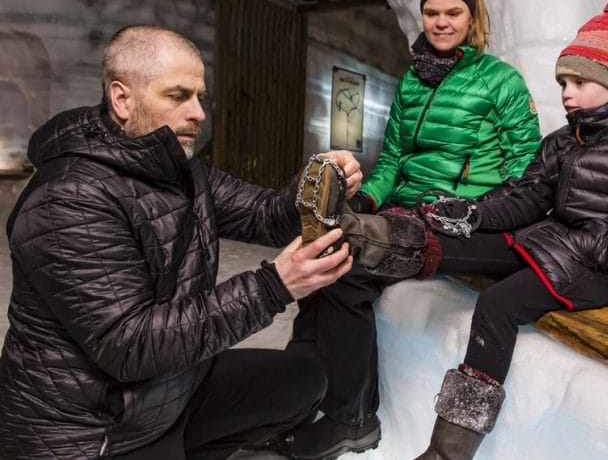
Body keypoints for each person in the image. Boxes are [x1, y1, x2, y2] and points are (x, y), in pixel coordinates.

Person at [298, 0, 608, 459]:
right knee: (451, 243)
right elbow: (528, 198)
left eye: (578, 81)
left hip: (602, 268)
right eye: (563, 81)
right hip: (556, 244)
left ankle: (448, 451)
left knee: (497, 304)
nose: (566, 92)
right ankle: (358, 234)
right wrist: (475, 215)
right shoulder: (562, 142)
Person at [0, 24, 364, 459]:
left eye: (199, 97)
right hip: (95, 430)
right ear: (122, 98)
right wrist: (274, 286)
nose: (198, 113)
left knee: (302, 381)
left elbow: (265, 216)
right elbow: (130, 347)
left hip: (165, 390)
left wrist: (314, 185)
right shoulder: (69, 198)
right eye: (178, 97)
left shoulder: (179, 168)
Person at [270, 0, 543, 459]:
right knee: (324, 268)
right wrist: (368, 199)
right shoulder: (413, 82)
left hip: (464, 219)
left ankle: (350, 419)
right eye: (432, 12)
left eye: (453, 12)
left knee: (344, 268)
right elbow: (393, 159)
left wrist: (479, 211)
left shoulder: (501, 81)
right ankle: (299, 396)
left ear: (472, 15)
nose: (441, 22)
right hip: (406, 209)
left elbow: (529, 172)